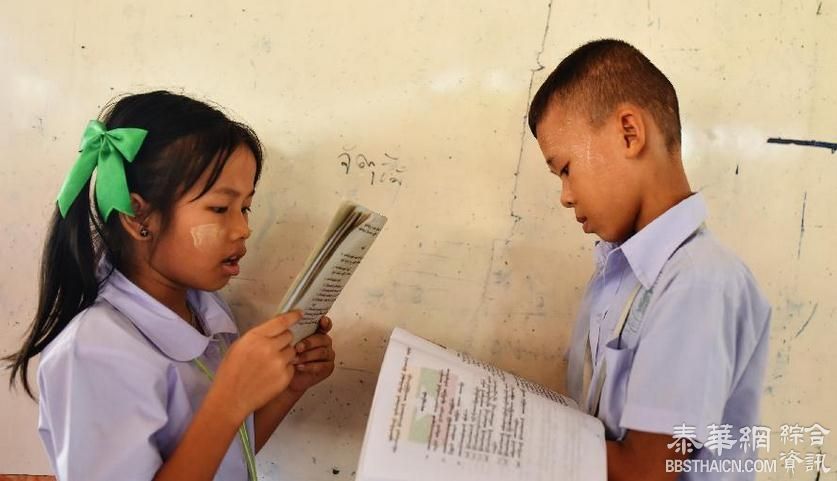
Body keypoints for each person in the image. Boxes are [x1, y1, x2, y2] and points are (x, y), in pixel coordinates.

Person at [4, 90, 336, 481]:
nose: (244, 229)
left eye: (245, 207)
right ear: (137, 216)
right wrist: (229, 400)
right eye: (219, 208)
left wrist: (288, 388)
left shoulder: (206, 310)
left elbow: (224, 455)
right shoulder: (95, 351)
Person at [528, 39, 771, 480]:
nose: (565, 196)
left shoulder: (699, 282)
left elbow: (644, 472)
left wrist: (517, 437)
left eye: (564, 169)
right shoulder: (618, 275)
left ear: (629, 132)